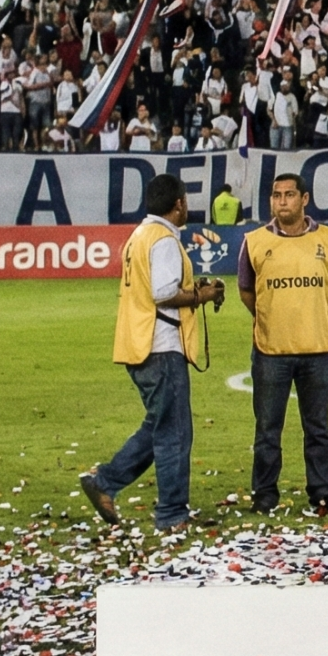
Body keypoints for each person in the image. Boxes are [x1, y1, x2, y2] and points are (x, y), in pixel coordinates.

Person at [80, 173, 223, 531]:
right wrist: (202, 295)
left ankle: (105, 482)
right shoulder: (163, 240)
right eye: (185, 201)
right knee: (174, 433)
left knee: (160, 425)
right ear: (178, 204)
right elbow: (163, 293)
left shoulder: (139, 236)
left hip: (139, 342)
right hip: (161, 346)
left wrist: (193, 290)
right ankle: (172, 514)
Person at [237, 173, 328, 516]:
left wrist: (311, 313)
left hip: (318, 349)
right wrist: (271, 315)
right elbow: (246, 291)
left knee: (319, 429)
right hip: (272, 351)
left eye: (289, 194)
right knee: (268, 430)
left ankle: (322, 492)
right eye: (276, 195)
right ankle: (265, 494)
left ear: (304, 199)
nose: (281, 201)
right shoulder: (254, 241)